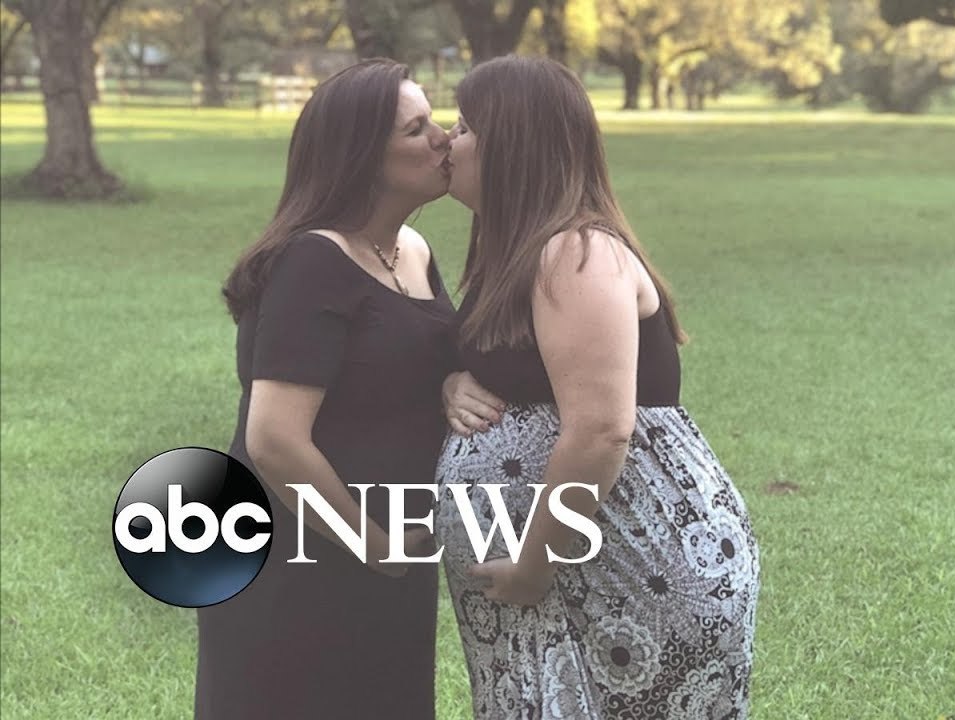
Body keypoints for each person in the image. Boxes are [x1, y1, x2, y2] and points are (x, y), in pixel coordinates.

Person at [435, 55, 761, 719]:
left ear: (511, 146)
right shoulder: (522, 250)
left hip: (628, 577)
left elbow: (600, 429)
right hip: (573, 585)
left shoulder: (575, 253)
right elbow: (522, 366)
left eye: (465, 127)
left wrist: (533, 566)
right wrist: (454, 381)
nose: (448, 139)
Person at [197, 59, 460, 719]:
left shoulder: (414, 250)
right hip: (300, 563)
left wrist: (454, 380)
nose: (443, 138)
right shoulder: (313, 261)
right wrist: (373, 544)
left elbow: (415, 357)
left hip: (388, 559)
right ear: (362, 158)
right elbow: (274, 439)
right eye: (416, 130)